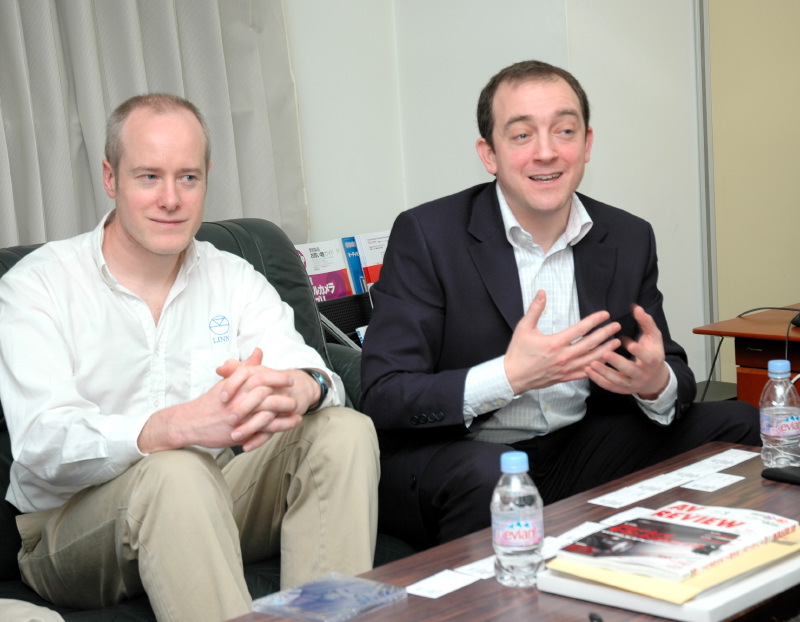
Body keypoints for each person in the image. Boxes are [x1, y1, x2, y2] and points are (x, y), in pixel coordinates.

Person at [0, 94, 379, 621]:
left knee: (342, 430)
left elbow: (310, 371)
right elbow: (43, 442)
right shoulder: (36, 286)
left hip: (212, 496)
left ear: (206, 179)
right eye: (149, 177)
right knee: (175, 471)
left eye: (188, 178)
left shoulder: (234, 276)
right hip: (69, 528)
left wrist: (304, 386)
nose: (171, 199)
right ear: (111, 178)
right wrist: (166, 427)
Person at [360, 60, 759, 550]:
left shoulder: (627, 236)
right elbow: (385, 393)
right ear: (489, 154)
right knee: (489, 474)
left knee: (739, 423)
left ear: (586, 144)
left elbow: (670, 366)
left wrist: (654, 382)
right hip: (461, 455)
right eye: (521, 135)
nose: (546, 152)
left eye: (564, 131)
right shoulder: (428, 235)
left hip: (574, 447)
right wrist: (509, 377)